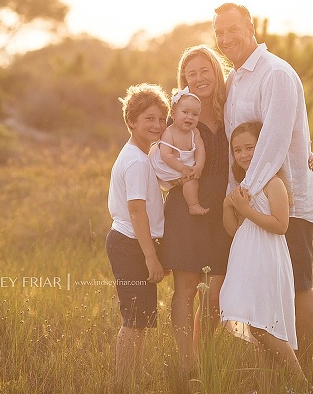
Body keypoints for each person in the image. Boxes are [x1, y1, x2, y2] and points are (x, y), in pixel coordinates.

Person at [214, 2, 313, 372]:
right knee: (265, 289)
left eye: (233, 29)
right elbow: (238, 143)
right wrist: (237, 199)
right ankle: (279, 366)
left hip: (283, 201)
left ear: (251, 28)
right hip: (250, 202)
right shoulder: (235, 78)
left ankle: (304, 366)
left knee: (297, 283)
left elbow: (275, 140)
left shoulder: (275, 73)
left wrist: (245, 196)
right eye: (219, 32)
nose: (226, 37)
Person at [159, 45, 233, 386]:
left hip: (224, 208)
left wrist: (306, 154)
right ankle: (187, 366)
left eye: (205, 70)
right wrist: (171, 175)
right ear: (184, 81)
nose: (200, 78)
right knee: (186, 287)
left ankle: (206, 357)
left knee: (217, 290)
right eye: (192, 74)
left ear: (217, 72)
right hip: (187, 207)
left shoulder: (232, 109)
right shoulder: (179, 118)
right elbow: (153, 152)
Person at [221, 121, 309, 393]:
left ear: (264, 147)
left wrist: (244, 208)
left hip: (266, 256)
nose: (244, 154)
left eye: (250, 147)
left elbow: (280, 225)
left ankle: (301, 384)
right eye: (238, 150)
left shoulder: (274, 183)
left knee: (263, 324)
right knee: (251, 319)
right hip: (244, 254)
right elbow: (234, 229)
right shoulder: (245, 184)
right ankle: (269, 385)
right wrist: (228, 205)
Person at [105, 83, 170, 393]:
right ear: (131, 121)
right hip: (131, 245)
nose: (157, 125)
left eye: (161, 119)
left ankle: (137, 375)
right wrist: (151, 256)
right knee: (133, 319)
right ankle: (121, 382)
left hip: (136, 243)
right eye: (149, 119)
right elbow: (136, 212)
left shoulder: (144, 156)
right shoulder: (134, 160)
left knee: (142, 317)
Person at [149, 87, 209, 216]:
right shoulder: (169, 133)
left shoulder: (195, 132)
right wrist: (182, 168)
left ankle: (193, 205)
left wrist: (199, 166)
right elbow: (166, 155)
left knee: (191, 180)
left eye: (195, 114)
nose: (190, 117)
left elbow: (200, 150)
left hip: (183, 166)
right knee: (187, 178)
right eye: (185, 112)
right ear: (173, 114)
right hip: (167, 166)